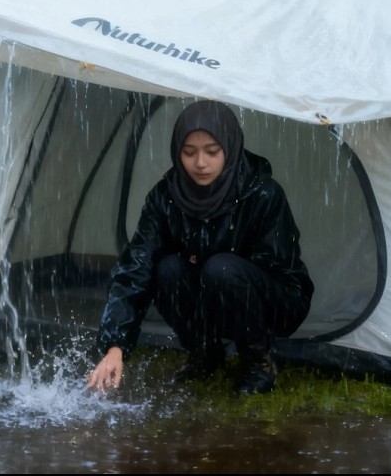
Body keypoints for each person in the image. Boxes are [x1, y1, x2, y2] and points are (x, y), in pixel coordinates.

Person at [85, 99, 314, 396]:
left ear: (230, 148)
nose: (200, 163)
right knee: (167, 269)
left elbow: (276, 267)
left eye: (212, 151)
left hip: (276, 303)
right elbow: (136, 267)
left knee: (221, 268)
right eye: (189, 152)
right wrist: (115, 346)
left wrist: (211, 259)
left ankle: (259, 363)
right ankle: (204, 353)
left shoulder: (263, 194)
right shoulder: (165, 198)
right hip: (212, 293)